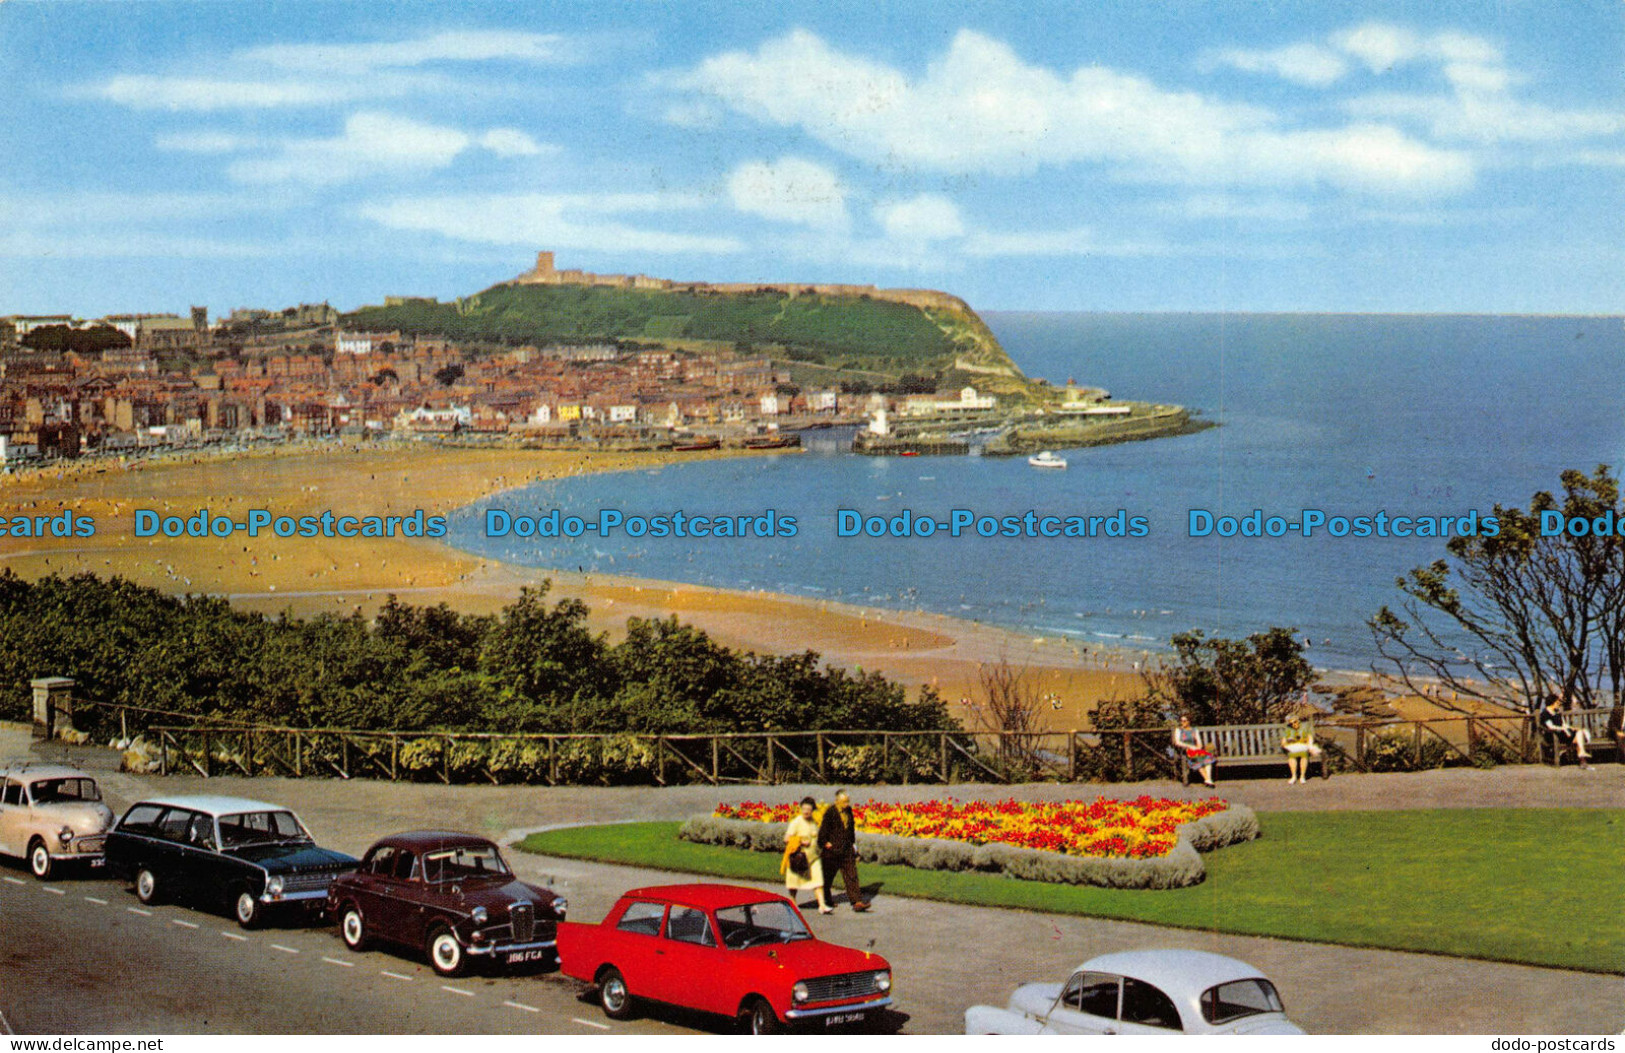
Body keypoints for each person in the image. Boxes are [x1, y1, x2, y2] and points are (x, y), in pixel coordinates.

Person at [817, 789, 869, 912]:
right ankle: (825, 899)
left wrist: (853, 844)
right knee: (827, 876)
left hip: (846, 849)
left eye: (847, 801)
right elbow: (823, 831)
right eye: (844, 802)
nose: (847, 804)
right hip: (832, 851)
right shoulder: (830, 812)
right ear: (837, 801)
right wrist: (826, 843)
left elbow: (851, 829)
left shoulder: (849, 811)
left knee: (852, 875)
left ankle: (857, 902)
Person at [781, 796, 831, 914]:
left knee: (818, 880)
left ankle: (822, 905)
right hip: (799, 858)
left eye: (808, 809)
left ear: (812, 810)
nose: (806, 811)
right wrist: (801, 841)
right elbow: (786, 838)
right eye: (804, 808)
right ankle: (793, 902)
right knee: (794, 881)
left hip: (813, 857)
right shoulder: (796, 822)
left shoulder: (813, 822)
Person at [1538, 694, 1592, 768]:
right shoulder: (1545, 714)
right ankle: (1582, 759)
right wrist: (1563, 729)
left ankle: (1582, 757)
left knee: (1579, 733)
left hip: (1563, 734)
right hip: (1553, 735)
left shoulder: (1557, 712)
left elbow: (1564, 724)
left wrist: (1572, 728)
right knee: (1579, 738)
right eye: (1557, 702)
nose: (1559, 704)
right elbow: (1550, 727)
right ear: (1552, 703)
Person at [1171, 715, 1216, 787]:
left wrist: (1198, 747)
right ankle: (1208, 780)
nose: (1183, 723)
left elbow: (1199, 742)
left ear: (1189, 721)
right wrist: (1190, 746)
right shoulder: (1179, 730)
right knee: (1197, 760)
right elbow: (1177, 742)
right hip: (1186, 750)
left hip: (1196, 749)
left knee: (1207, 758)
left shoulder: (1194, 730)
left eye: (1184, 721)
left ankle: (1208, 780)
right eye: (1181, 721)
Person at [1280, 713, 1322, 784]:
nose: (1294, 724)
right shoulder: (1288, 729)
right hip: (1292, 747)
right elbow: (1283, 742)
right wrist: (1288, 743)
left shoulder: (1305, 727)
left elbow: (1310, 738)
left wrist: (1308, 744)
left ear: (1298, 721)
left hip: (1303, 746)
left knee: (1304, 754)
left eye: (1295, 722)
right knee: (1292, 756)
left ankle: (1302, 776)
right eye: (1291, 723)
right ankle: (1293, 776)